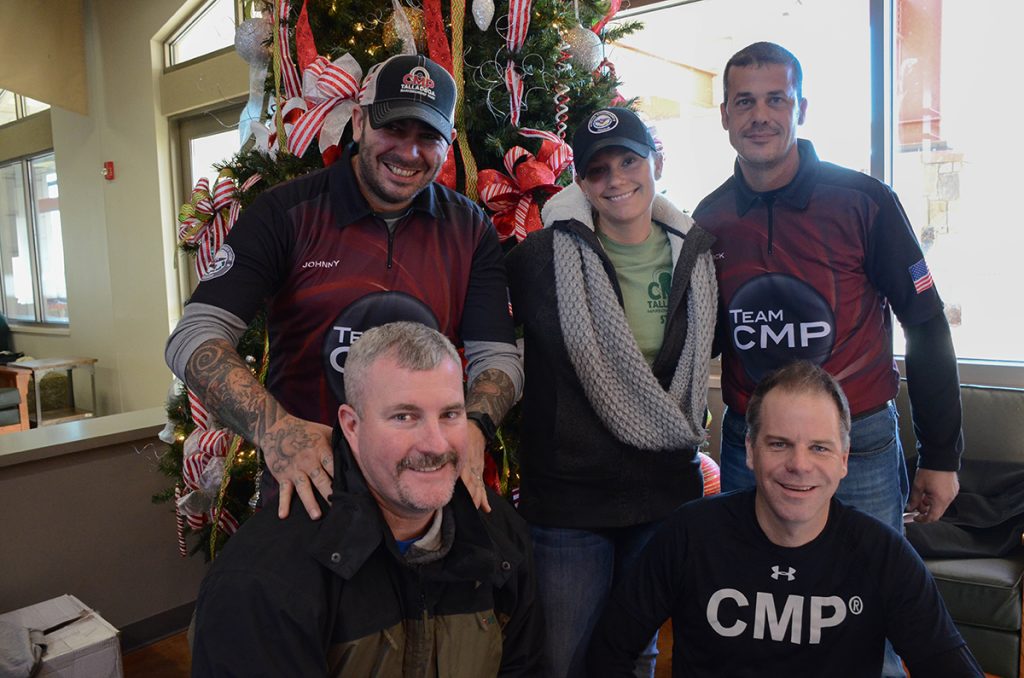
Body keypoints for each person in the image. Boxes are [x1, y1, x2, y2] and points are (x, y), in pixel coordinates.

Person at [165, 54, 521, 521]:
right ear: (358, 121)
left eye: (428, 136)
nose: (409, 153)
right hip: (310, 489)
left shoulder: (468, 228)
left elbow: (499, 357)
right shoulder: (285, 213)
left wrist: (473, 424)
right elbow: (194, 337)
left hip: (423, 490)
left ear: (448, 142)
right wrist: (276, 432)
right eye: (393, 129)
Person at [692, 42, 963, 534]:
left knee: (874, 597)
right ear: (726, 115)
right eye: (745, 101)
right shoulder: (708, 220)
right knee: (750, 591)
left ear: (801, 108)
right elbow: (701, 340)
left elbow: (925, 323)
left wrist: (941, 455)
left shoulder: (865, 201)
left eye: (777, 99)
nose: (760, 116)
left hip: (856, 442)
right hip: (750, 443)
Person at [587, 361, 983, 678]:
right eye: (779, 444)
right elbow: (610, 653)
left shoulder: (883, 555)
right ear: (750, 451)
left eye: (819, 448)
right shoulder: (690, 535)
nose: (799, 465)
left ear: (844, 460)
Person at [190, 322, 542, 677]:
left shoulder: (502, 540)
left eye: (450, 414)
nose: (436, 445)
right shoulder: (263, 582)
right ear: (352, 426)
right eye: (404, 417)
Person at [505, 107, 718, 677]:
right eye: (597, 169)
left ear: (655, 163)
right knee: (566, 659)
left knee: (636, 653)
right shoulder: (538, 261)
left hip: (664, 491)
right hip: (572, 501)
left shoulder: (698, 258)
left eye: (629, 160)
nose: (616, 178)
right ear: (580, 182)